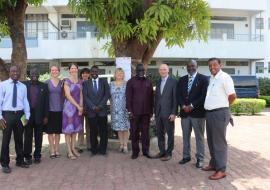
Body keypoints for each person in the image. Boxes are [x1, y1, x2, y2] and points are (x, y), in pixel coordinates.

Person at [203, 57, 236, 180]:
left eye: (215, 65)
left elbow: (232, 96)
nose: (212, 67)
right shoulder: (212, 79)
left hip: (219, 114)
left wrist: (224, 107)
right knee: (211, 141)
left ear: (220, 65)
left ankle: (221, 170)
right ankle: (214, 163)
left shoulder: (225, 78)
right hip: (210, 114)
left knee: (219, 142)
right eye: (210, 66)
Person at [177, 60, 209, 168]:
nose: (191, 68)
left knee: (199, 137)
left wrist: (192, 105)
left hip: (198, 114)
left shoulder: (204, 79)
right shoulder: (182, 80)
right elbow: (179, 95)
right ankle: (186, 156)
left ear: (197, 67)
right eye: (189, 66)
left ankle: (200, 159)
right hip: (185, 114)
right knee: (185, 136)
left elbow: (203, 96)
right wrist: (183, 106)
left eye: (193, 66)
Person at [0, 65, 30, 174]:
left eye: (17, 71)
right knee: (6, 141)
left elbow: (25, 101)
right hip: (7, 115)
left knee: (19, 140)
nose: (15, 73)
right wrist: (0, 118)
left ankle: (20, 160)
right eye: (13, 71)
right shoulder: (2, 85)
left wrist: (27, 116)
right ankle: (5, 164)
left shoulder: (23, 86)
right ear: (9, 72)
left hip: (20, 115)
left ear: (20, 72)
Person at [126, 63, 154, 159]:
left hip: (146, 112)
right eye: (139, 70)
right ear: (136, 71)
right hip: (134, 113)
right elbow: (128, 97)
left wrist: (151, 111)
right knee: (134, 133)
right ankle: (135, 152)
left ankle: (146, 151)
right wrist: (129, 111)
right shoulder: (130, 82)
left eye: (142, 70)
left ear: (144, 71)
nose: (141, 72)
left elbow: (151, 98)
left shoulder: (148, 82)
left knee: (146, 133)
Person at [23, 67, 49, 165]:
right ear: (29, 75)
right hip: (28, 116)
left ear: (39, 75)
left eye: (36, 73)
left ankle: (37, 155)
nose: (34, 75)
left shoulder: (44, 86)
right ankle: (27, 156)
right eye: (32, 73)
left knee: (39, 137)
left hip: (40, 115)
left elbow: (47, 103)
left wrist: (46, 116)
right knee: (28, 136)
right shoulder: (24, 85)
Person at [82, 65, 110, 156]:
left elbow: (107, 95)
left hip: (102, 111)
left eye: (96, 71)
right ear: (90, 73)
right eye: (92, 71)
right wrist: (93, 107)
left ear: (98, 72)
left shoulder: (104, 82)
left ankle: (103, 150)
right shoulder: (86, 83)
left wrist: (100, 106)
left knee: (103, 131)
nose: (94, 73)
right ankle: (94, 150)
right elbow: (85, 97)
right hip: (91, 111)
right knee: (93, 131)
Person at [153, 64, 177, 161]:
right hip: (159, 113)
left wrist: (174, 113)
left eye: (164, 69)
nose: (162, 71)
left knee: (170, 133)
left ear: (168, 71)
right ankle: (162, 151)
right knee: (159, 133)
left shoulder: (173, 82)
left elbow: (175, 99)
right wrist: (155, 111)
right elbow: (157, 98)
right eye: (161, 69)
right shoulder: (158, 82)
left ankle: (169, 153)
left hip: (169, 113)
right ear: (159, 71)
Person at [62, 63, 83, 160]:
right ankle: (69, 151)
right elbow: (68, 95)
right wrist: (78, 106)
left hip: (78, 107)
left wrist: (81, 106)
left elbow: (81, 94)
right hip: (69, 108)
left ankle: (73, 148)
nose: (74, 70)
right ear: (69, 70)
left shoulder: (79, 81)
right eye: (72, 68)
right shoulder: (66, 81)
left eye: (75, 68)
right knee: (68, 131)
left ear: (77, 70)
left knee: (75, 130)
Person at [110, 68, 130, 153]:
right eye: (117, 73)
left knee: (125, 128)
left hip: (125, 109)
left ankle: (125, 145)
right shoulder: (111, 84)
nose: (119, 75)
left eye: (121, 73)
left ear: (123, 75)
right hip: (115, 110)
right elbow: (110, 97)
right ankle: (121, 144)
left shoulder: (127, 84)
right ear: (115, 74)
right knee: (118, 128)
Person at [45, 65, 63, 159]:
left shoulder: (62, 83)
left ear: (59, 71)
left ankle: (57, 150)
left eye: (56, 70)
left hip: (60, 110)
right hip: (50, 110)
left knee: (57, 132)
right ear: (50, 72)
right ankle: (52, 150)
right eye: (53, 70)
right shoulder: (46, 83)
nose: (54, 71)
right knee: (50, 132)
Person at [77, 68, 91, 152]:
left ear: (89, 74)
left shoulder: (91, 83)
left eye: (87, 73)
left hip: (89, 108)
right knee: (80, 127)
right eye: (83, 73)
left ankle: (89, 145)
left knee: (89, 127)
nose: (85, 74)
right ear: (81, 74)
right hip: (80, 107)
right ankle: (80, 145)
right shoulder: (79, 83)